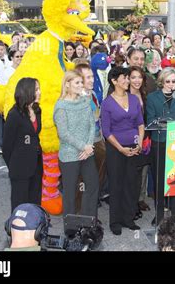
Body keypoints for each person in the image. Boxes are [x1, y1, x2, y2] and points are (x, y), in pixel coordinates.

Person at [101, 67, 144, 235]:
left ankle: (128, 218)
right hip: (116, 149)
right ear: (114, 81)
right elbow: (106, 130)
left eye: (128, 78)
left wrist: (139, 143)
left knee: (131, 184)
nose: (128, 81)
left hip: (134, 147)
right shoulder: (107, 103)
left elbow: (140, 123)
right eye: (124, 78)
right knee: (117, 184)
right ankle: (115, 221)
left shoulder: (133, 99)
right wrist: (121, 149)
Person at [147, 67, 175, 225]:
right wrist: (164, 123)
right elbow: (150, 120)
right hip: (159, 142)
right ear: (161, 82)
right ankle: (159, 214)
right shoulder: (152, 98)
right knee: (159, 181)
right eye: (168, 81)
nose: (171, 84)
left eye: (174, 81)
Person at [54, 70, 99, 219]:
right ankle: (71, 229)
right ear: (67, 84)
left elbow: (92, 125)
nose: (81, 85)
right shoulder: (61, 106)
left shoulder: (85, 102)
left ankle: (89, 222)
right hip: (69, 155)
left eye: (81, 82)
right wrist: (83, 146)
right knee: (70, 192)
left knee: (92, 186)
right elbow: (64, 133)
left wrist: (88, 146)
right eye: (77, 82)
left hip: (87, 152)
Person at [3, 78, 42, 211]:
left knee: (35, 203)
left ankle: (35, 230)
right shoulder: (14, 115)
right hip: (20, 168)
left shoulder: (37, 110)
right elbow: (7, 146)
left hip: (36, 165)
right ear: (27, 92)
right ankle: (18, 231)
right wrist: (14, 166)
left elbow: (35, 135)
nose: (40, 92)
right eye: (36, 89)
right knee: (20, 206)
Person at [75, 63, 108, 209]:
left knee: (96, 179)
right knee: (82, 181)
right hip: (83, 145)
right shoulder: (74, 99)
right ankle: (79, 216)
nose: (91, 80)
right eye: (87, 77)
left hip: (98, 141)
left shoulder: (93, 94)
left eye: (91, 76)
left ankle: (90, 211)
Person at [128, 65, 151, 214]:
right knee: (131, 172)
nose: (137, 80)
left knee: (143, 170)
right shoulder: (123, 95)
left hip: (145, 137)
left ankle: (140, 199)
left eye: (139, 77)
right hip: (129, 139)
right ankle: (131, 202)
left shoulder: (144, 94)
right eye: (133, 77)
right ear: (128, 79)